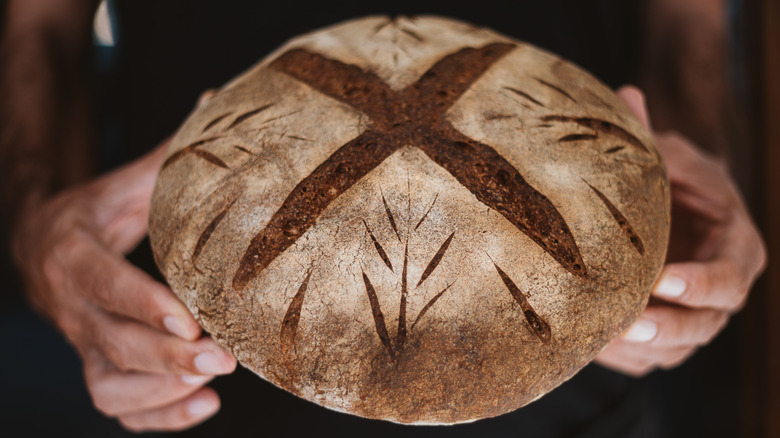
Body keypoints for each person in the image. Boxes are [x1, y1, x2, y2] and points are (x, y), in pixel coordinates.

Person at [0, 0, 766, 435]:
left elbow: (685, 20)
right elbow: (41, 22)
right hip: (198, 380)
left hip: (584, 392)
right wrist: (41, 222)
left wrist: (692, 167)